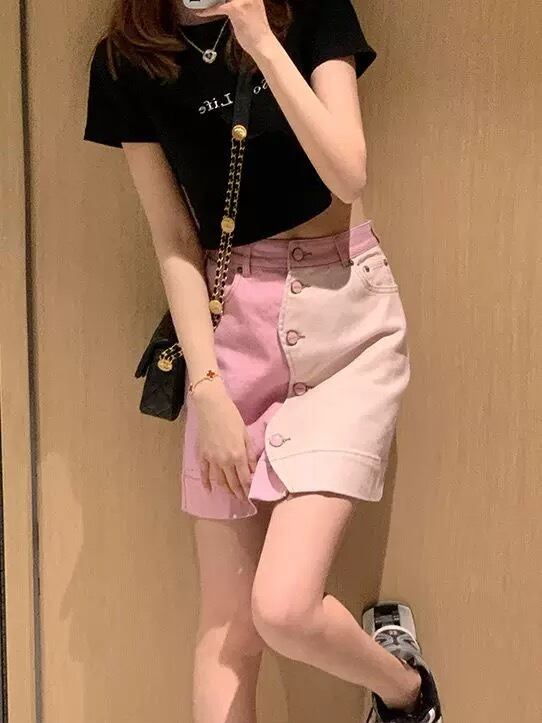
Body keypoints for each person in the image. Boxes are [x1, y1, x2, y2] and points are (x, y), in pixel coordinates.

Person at [83, 0, 443, 721]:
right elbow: (173, 237)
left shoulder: (305, 9)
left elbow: (348, 173)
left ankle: (405, 691)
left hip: (344, 320)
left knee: (283, 608)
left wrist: (261, 41)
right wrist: (208, 389)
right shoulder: (128, 56)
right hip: (230, 332)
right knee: (229, 629)